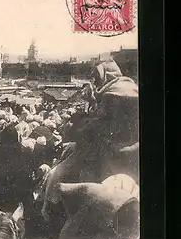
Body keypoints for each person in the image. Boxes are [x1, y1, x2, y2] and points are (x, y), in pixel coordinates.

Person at [41, 60, 139, 222]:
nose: (95, 82)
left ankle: (48, 208)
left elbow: (96, 124)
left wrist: (91, 102)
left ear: (105, 76)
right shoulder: (130, 88)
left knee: (56, 174)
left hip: (107, 147)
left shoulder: (112, 93)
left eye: (97, 78)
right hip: (132, 148)